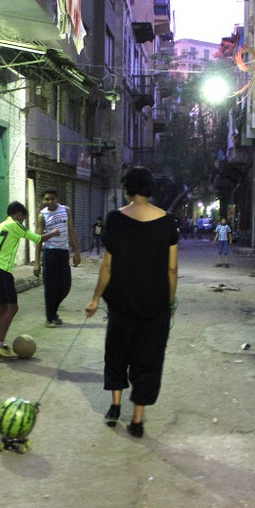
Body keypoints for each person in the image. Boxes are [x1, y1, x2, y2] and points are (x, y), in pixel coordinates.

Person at [85, 166, 179, 438]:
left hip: (121, 303)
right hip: (155, 305)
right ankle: (137, 420)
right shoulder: (167, 221)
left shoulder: (115, 219)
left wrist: (95, 299)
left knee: (117, 354)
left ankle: (115, 407)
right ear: (150, 189)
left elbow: (107, 267)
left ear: (127, 188)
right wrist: (170, 303)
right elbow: (172, 270)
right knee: (148, 359)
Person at [0, 201, 60, 359]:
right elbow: (38, 239)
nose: (23, 222)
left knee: (2, 308)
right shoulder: (15, 225)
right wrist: (54, 232)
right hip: (3, 271)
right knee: (12, 307)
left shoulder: (0, 226)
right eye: (23, 219)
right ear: (18, 215)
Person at [35, 188, 81, 327]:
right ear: (43, 200)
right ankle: (50, 318)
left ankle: (53, 312)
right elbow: (39, 239)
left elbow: (71, 230)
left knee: (65, 286)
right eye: (47, 199)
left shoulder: (66, 211)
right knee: (50, 287)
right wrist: (37, 262)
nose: (50, 201)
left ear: (57, 199)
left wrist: (77, 252)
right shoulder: (42, 215)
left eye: (52, 198)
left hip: (63, 252)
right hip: (49, 253)